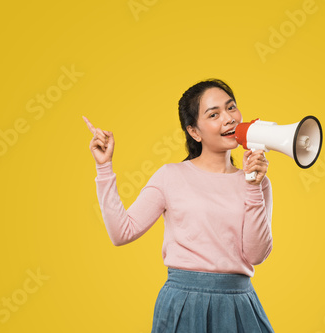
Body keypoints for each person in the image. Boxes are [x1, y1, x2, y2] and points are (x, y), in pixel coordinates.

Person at [83, 78, 275, 333]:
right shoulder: (170, 176)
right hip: (184, 303)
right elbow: (121, 232)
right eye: (213, 114)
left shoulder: (259, 182)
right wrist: (104, 167)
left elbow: (256, 255)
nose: (229, 118)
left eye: (231, 108)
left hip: (239, 303)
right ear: (194, 131)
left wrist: (252, 185)